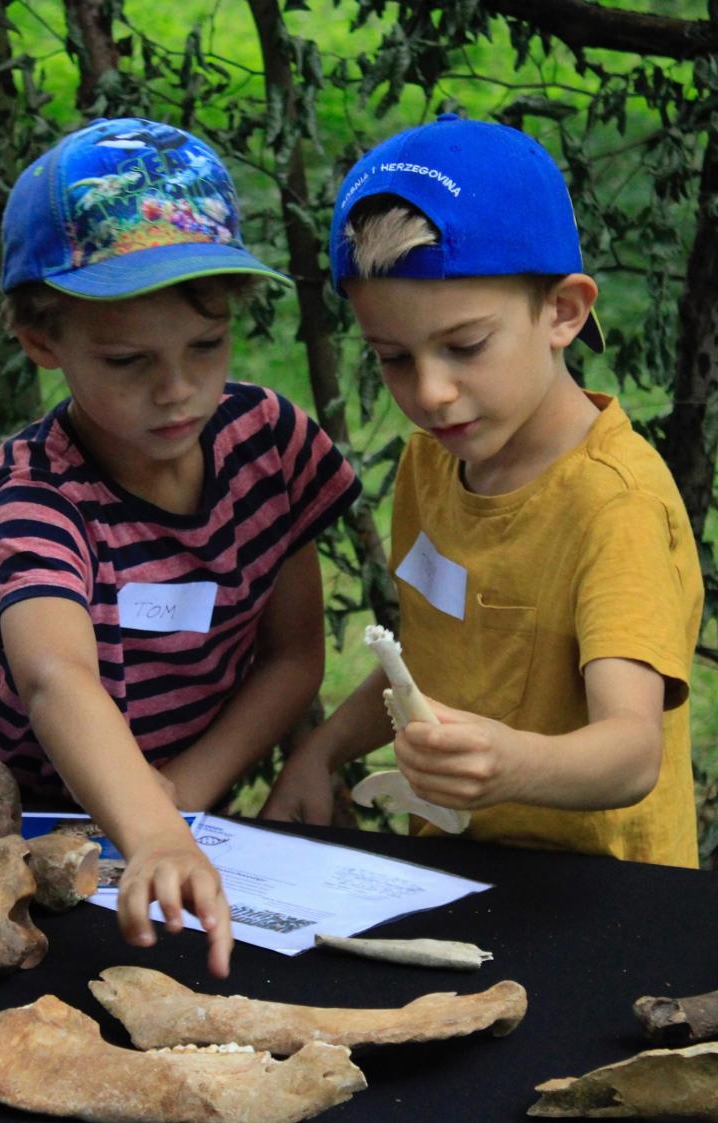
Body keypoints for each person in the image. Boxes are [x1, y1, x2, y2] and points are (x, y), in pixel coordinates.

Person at [0, 117, 361, 973]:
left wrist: (179, 805)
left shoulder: (270, 444)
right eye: (129, 361)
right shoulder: (35, 493)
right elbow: (56, 676)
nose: (177, 390)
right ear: (42, 341)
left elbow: (292, 657)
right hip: (14, 848)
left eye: (206, 346)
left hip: (171, 835)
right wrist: (156, 827)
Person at [262, 113, 703, 869]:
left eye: (465, 346)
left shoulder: (616, 504)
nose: (430, 393)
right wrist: (321, 752)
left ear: (563, 312)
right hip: (453, 874)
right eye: (393, 357)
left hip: (602, 896)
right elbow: (429, 662)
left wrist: (511, 765)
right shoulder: (430, 464)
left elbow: (632, 753)